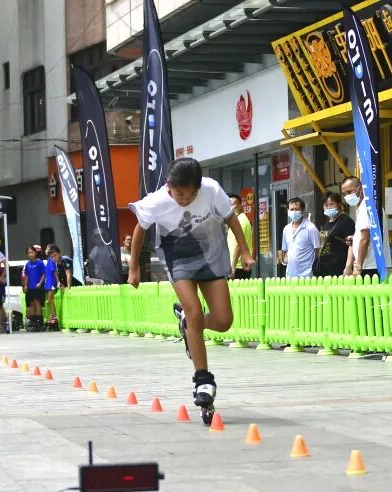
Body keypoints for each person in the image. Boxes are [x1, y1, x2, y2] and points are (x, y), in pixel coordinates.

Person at [127, 157, 254, 425]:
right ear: (169, 186)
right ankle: (202, 380)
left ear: (199, 187)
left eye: (192, 194)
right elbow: (139, 231)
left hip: (210, 253)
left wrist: (245, 251)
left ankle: (187, 324)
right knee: (195, 312)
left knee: (224, 321)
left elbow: (231, 219)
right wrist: (134, 268)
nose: (186, 199)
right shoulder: (156, 201)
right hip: (178, 258)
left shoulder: (211, 189)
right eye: (180, 194)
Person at [341, 176, 392, 279]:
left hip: (370, 266)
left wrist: (358, 266)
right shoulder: (365, 206)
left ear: (359, 189)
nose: (347, 196)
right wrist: (355, 238)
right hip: (371, 264)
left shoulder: (366, 207)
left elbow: (365, 239)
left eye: (349, 192)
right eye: (344, 194)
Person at [314, 192, 355, 277]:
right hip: (325, 268)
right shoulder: (327, 221)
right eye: (326, 205)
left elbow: (352, 244)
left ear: (339, 204)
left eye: (332, 204)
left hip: (339, 268)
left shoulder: (345, 221)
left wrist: (348, 267)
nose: (329, 207)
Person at [278, 198, 320, 278]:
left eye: (296, 209)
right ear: (288, 210)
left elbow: (318, 250)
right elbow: (285, 251)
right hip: (290, 275)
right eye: (291, 209)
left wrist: (314, 269)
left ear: (303, 210)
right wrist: (283, 260)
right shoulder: (286, 229)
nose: (294, 212)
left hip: (307, 276)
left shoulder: (310, 228)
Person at [226, 194, 254, 279]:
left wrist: (233, 266)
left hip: (238, 267)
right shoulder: (238, 220)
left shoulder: (240, 221)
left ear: (240, 206)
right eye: (228, 205)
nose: (230, 208)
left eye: (232, 205)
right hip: (238, 266)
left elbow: (239, 245)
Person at [22, 244, 46, 331]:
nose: (30, 254)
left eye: (32, 252)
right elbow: (27, 276)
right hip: (30, 287)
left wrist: (40, 283)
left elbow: (44, 274)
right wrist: (25, 285)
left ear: (35, 252)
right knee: (31, 304)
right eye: (29, 253)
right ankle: (33, 321)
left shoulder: (40, 262)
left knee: (37, 302)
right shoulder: (27, 264)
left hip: (38, 287)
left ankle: (39, 322)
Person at [44, 243, 60, 326]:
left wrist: (58, 281)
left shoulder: (52, 260)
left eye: (48, 248)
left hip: (52, 282)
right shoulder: (49, 259)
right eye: (46, 248)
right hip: (48, 282)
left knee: (50, 299)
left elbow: (55, 271)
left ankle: (54, 316)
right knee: (49, 300)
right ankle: (52, 316)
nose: (46, 250)